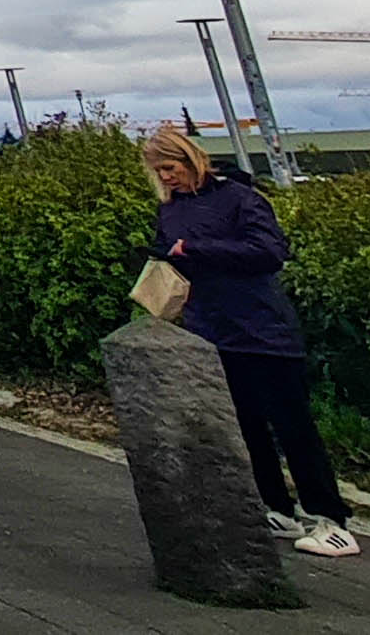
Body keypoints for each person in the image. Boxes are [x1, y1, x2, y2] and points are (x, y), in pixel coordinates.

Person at [144, 123, 358, 558]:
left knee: (294, 429)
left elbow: (269, 252)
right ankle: (275, 505)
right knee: (245, 428)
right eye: (157, 171)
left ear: (189, 159)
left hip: (264, 330)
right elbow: (172, 252)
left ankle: (329, 518)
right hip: (213, 331)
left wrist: (197, 250)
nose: (165, 178)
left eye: (169, 168)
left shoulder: (241, 198)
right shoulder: (170, 210)